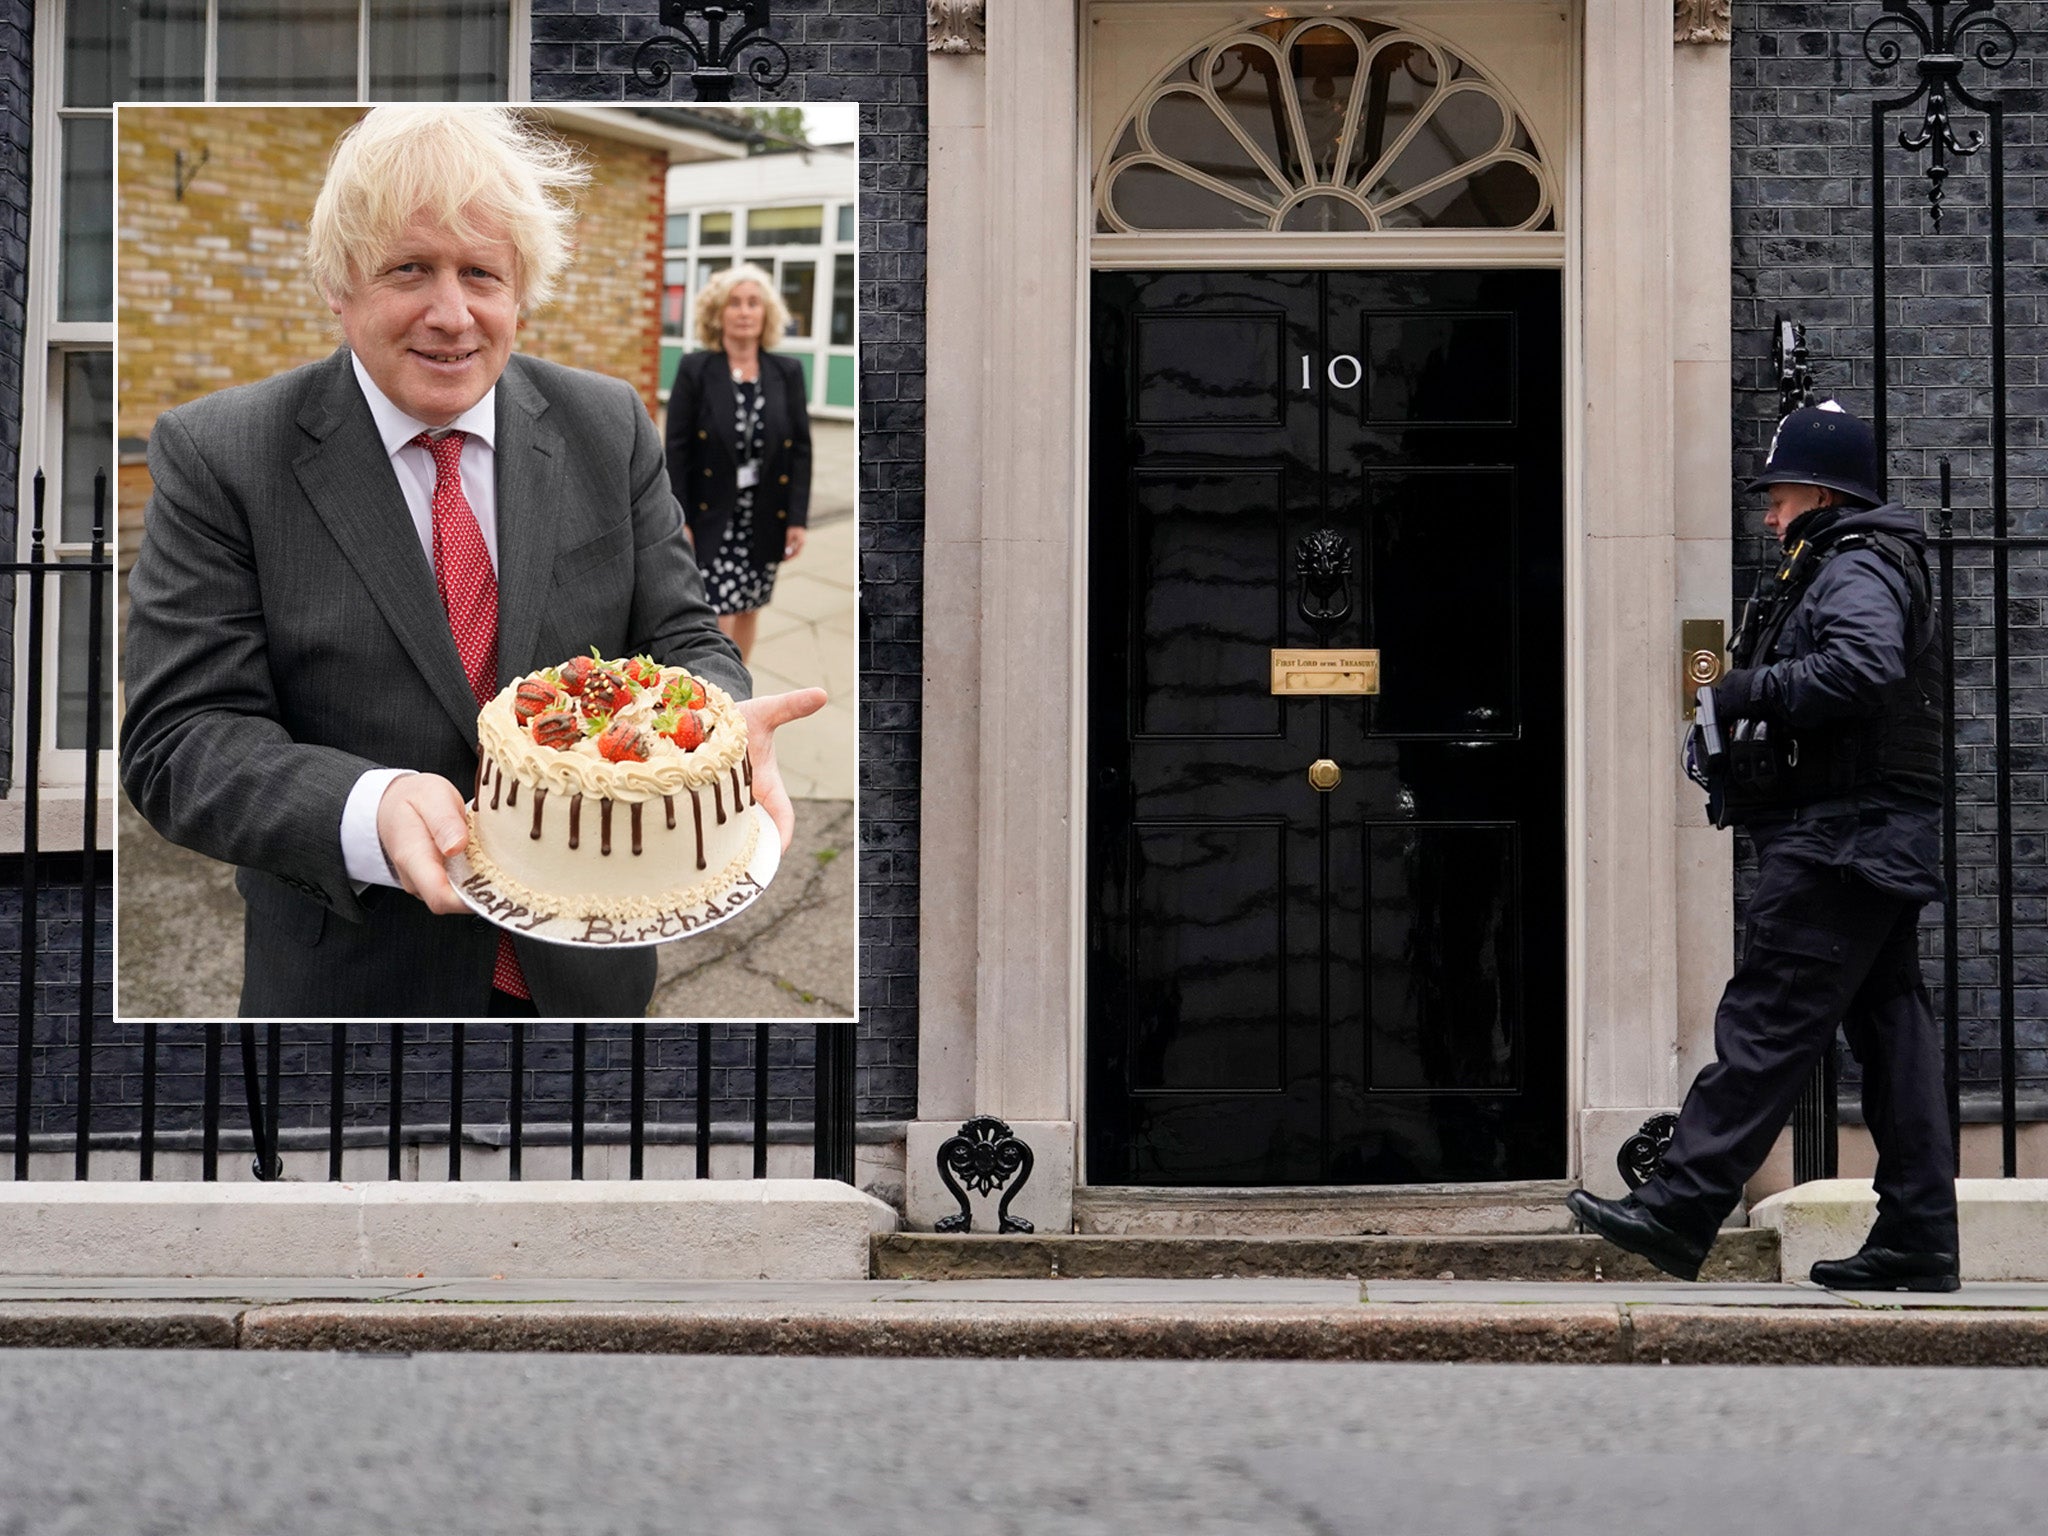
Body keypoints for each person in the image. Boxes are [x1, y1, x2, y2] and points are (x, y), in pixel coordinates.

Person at [119, 106, 824, 1019]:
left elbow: (682, 632)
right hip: (358, 990)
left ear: (520, 289)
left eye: (481, 273)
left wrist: (716, 729)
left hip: (594, 977)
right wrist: (366, 806)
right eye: (409, 268)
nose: (452, 314)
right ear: (340, 284)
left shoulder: (607, 426)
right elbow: (181, 739)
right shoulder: (222, 454)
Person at [1568, 402, 1960, 1291]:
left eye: (1778, 496)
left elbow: (1863, 667)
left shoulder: (1855, 566)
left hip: (1842, 839)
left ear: (1820, 492)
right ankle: (1919, 1238)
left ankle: (1678, 1206)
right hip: (1873, 837)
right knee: (1895, 1036)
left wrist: (1749, 688)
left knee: (1770, 1019)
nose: (1770, 514)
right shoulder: (1858, 561)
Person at [662, 263, 811, 663]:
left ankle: (739, 684)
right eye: (735, 303)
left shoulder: (787, 372)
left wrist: (797, 517)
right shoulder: (696, 369)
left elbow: (800, 448)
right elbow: (676, 448)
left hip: (764, 512)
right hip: (713, 512)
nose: (745, 312)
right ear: (718, 313)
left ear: (766, 314)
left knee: (749, 604)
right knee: (717, 612)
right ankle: (720, 690)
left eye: (753, 303)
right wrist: (680, 517)